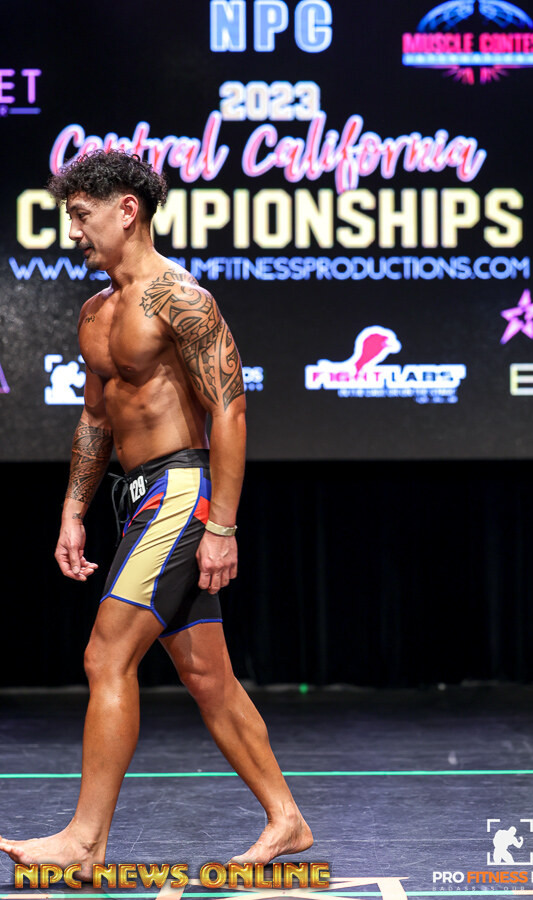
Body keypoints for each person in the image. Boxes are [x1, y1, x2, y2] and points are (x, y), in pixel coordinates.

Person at [0, 150, 312, 877]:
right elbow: (94, 419)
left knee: (106, 655)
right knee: (207, 676)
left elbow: (230, 411)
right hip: (135, 497)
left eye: (82, 216)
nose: (73, 233)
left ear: (127, 210)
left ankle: (86, 840)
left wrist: (222, 525)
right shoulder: (95, 312)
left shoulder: (183, 301)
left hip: (181, 490)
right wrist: (73, 510)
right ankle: (287, 818)